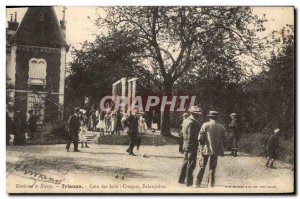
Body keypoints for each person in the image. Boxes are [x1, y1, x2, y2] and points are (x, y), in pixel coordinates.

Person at [195, 111, 226, 188]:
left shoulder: (205, 125)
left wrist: (201, 146)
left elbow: (200, 138)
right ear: (217, 118)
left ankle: (197, 184)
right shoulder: (221, 127)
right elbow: (225, 139)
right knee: (212, 168)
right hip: (215, 150)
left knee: (201, 166)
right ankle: (210, 185)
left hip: (205, 149)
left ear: (209, 117)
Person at [178, 106, 202, 187]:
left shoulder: (186, 120)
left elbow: (183, 133)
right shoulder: (193, 123)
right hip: (191, 145)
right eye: (197, 114)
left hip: (185, 144)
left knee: (185, 162)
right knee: (191, 163)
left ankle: (181, 179)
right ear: (192, 113)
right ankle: (189, 182)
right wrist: (197, 145)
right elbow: (192, 137)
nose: (198, 116)